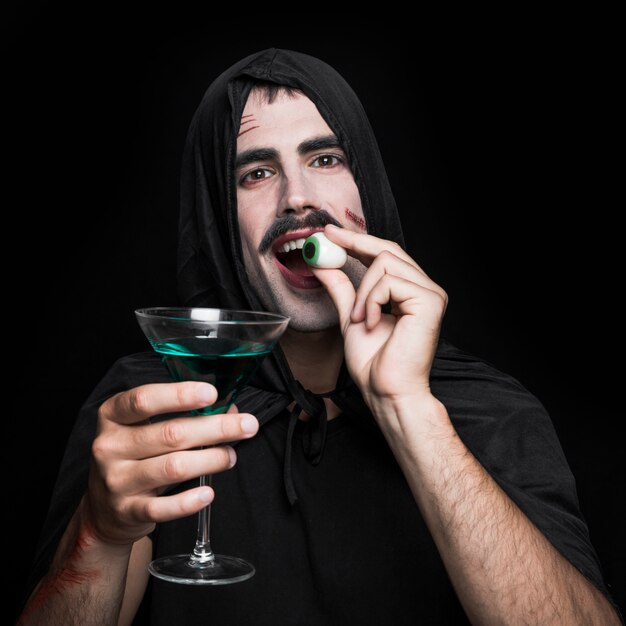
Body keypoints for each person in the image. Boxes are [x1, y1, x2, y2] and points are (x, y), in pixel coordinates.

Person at [18, 49, 622, 625]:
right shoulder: (146, 411)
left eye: (326, 159)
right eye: (256, 173)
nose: (298, 197)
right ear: (218, 221)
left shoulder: (492, 407)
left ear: (369, 187)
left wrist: (406, 408)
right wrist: (98, 535)